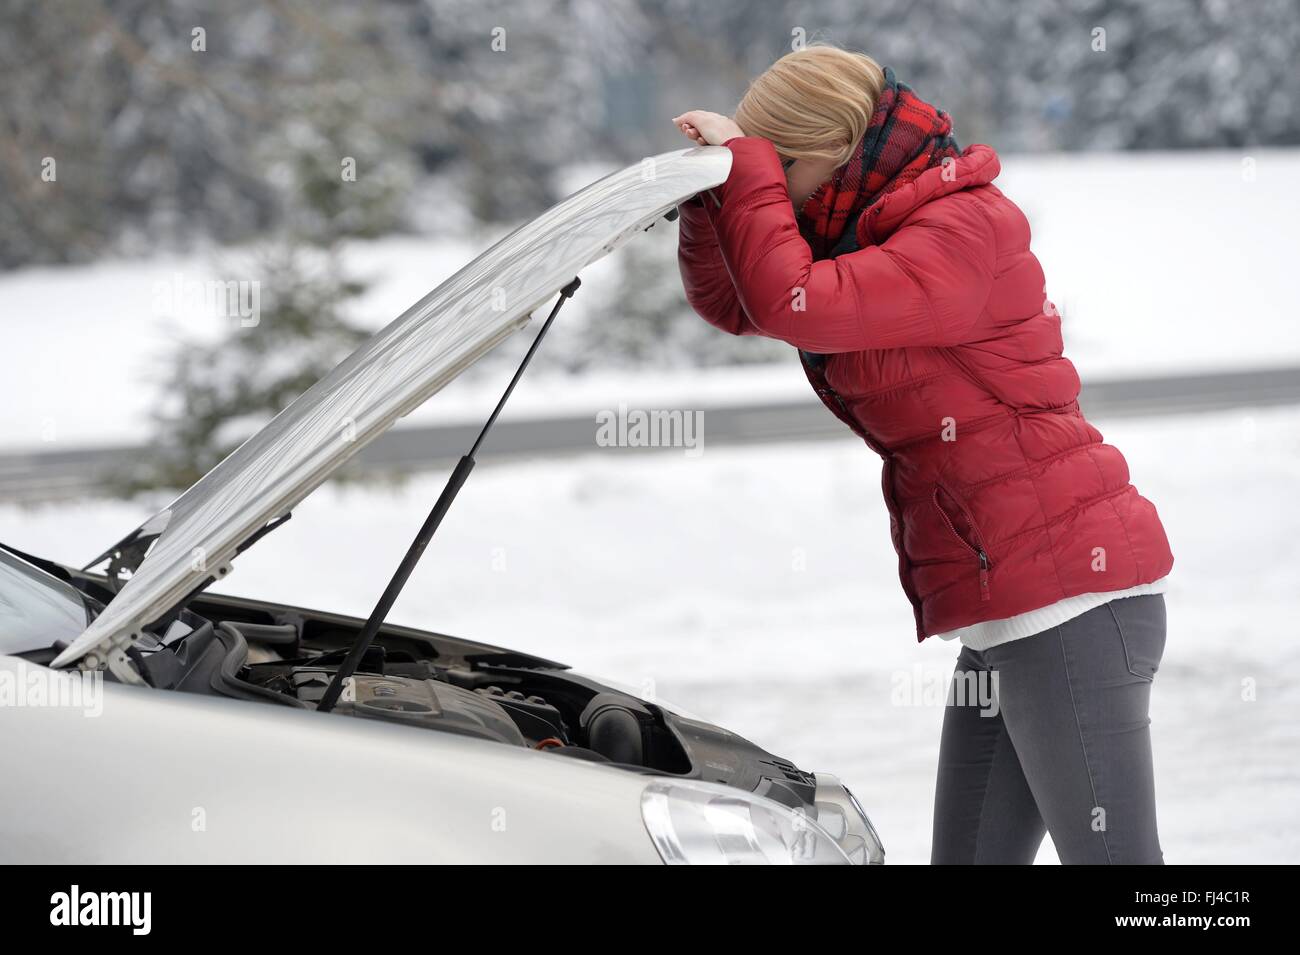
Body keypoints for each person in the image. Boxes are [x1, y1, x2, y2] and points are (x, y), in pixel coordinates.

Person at [672, 44, 1174, 864]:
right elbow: (739, 304)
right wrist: (713, 200)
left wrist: (746, 170)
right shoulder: (873, 230)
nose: (775, 187)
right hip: (1011, 611)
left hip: (1073, 605)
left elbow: (791, 300)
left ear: (831, 151)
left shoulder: (959, 229)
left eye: (781, 165)